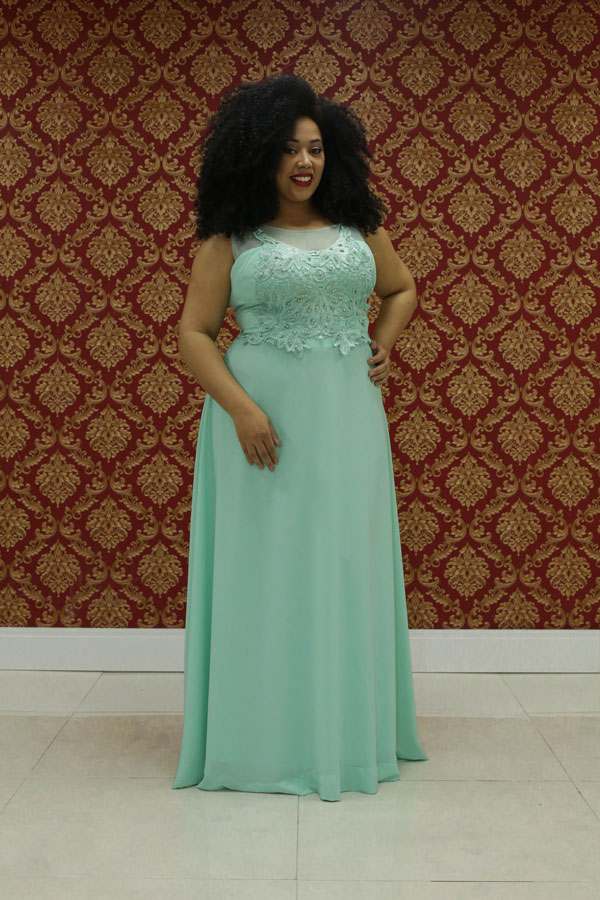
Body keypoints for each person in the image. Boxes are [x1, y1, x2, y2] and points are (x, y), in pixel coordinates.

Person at [172, 72, 428, 802]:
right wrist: (242, 410)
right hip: (260, 423)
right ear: (258, 155)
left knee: (343, 561)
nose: (304, 162)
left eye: (314, 148)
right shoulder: (231, 239)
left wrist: (384, 342)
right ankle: (265, 740)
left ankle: (342, 733)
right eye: (288, 149)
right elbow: (193, 335)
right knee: (270, 571)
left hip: (347, 418)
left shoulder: (358, 226)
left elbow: (402, 288)